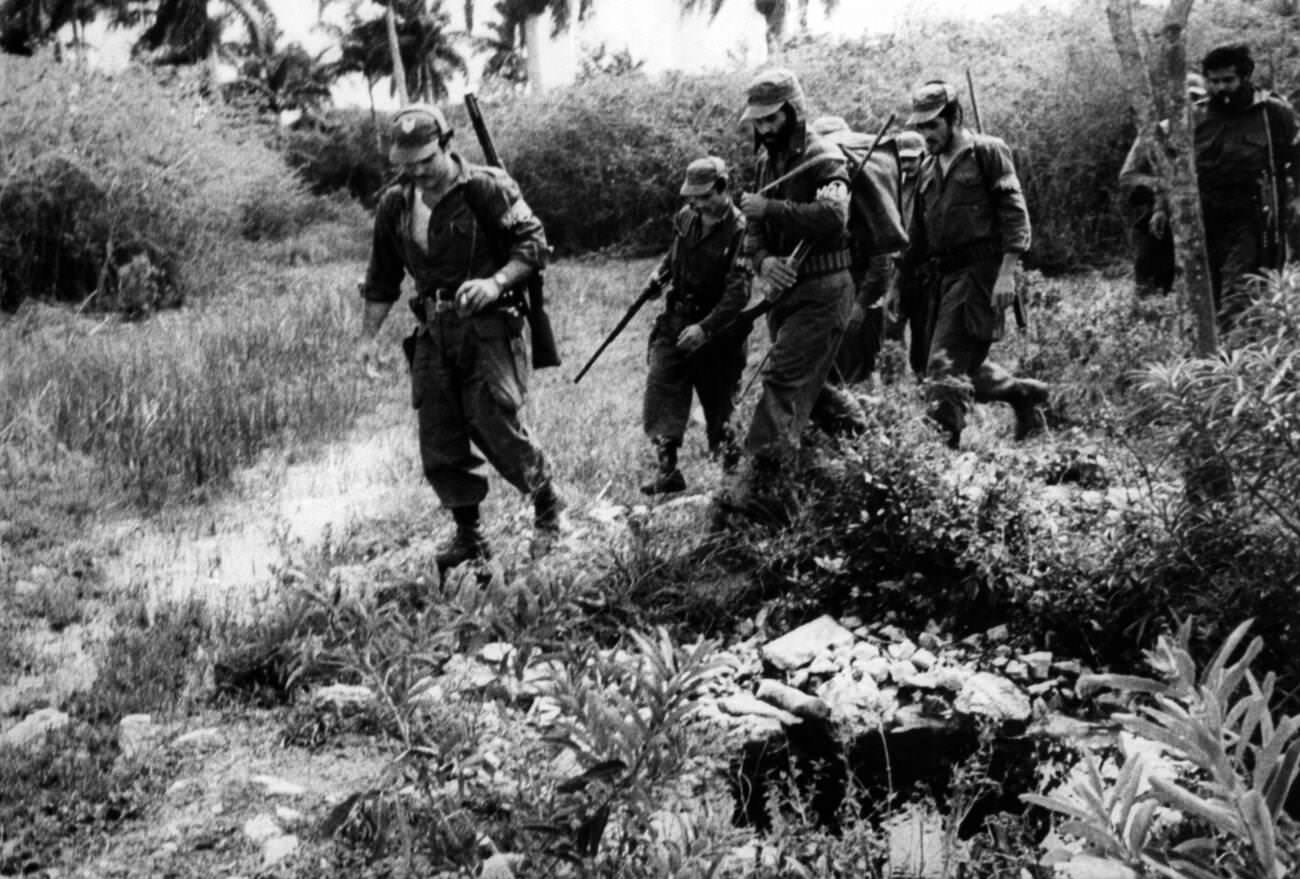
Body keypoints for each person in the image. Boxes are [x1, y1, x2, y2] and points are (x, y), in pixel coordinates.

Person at [356, 103, 563, 572]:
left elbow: (533, 243)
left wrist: (496, 282)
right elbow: (382, 277)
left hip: (488, 327)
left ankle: (548, 505)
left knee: (494, 423)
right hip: (434, 331)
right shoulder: (396, 205)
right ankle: (470, 535)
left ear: (448, 145)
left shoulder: (485, 188)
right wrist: (366, 339)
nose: (417, 173)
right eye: (405, 165)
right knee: (440, 435)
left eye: (426, 160)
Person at [717, 67, 858, 519]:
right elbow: (753, 229)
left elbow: (834, 217)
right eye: (756, 121)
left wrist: (772, 207)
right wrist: (764, 264)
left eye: (770, 119)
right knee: (816, 393)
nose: (762, 129)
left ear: (794, 113)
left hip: (824, 291)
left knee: (782, 382)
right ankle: (874, 454)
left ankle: (766, 491)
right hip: (785, 295)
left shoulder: (823, 157)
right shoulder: (765, 162)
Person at [899, 80, 1048, 449]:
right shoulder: (928, 169)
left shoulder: (987, 152)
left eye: (932, 125)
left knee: (944, 365)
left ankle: (942, 451)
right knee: (942, 363)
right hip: (941, 278)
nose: (926, 134)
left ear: (954, 118)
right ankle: (1020, 393)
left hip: (980, 275)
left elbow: (1014, 213)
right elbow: (915, 236)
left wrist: (1007, 273)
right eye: (920, 127)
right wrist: (896, 286)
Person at [639, 156, 750, 495]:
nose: (697, 204)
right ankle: (667, 470)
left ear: (722, 188)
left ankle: (733, 478)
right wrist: (659, 276)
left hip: (719, 330)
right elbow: (673, 258)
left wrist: (706, 329)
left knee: (720, 406)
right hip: (676, 320)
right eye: (693, 197)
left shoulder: (742, 229)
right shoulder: (687, 219)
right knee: (662, 385)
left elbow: (738, 293)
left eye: (704, 197)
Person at [1194, 43, 1299, 330]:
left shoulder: (1272, 113)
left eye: (1228, 80)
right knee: (1207, 293)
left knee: (1238, 291)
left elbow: (1296, 158)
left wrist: (1295, 201)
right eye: (1213, 81)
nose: (1220, 88)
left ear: (1245, 77)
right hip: (1207, 218)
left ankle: (1232, 355)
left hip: (1253, 217)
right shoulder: (1196, 116)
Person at [1117, 73, 1207, 299]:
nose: (1190, 106)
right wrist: (1162, 187)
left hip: (1207, 213)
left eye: (1196, 99)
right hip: (1162, 216)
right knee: (1150, 282)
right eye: (1183, 99)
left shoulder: (1212, 130)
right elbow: (1127, 176)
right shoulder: (1156, 133)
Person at [885, 130, 930, 378]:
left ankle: (923, 382)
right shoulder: (894, 187)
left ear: (923, 157)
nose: (907, 166)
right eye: (902, 160)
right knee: (891, 329)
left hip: (923, 270)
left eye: (912, 160)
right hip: (896, 269)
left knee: (923, 333)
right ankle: (894, 388)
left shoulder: (930, 185)